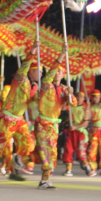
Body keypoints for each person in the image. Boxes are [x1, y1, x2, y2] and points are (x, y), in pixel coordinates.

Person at [0, 40, 39, 183]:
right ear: (32, 71)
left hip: (19, 120)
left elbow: (36, 101)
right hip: (7, 119)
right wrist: (33, 49)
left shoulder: (35, 87)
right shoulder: (20, 79)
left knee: (28, 143)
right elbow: (24, 66)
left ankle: (15, 167)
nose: (41, 74)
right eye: (39, 71)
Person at [34, 44, 74, 190]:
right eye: (55, 71)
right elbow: (50, 73)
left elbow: (73, 103)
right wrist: (62, 54)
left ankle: (45, 180)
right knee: (44, 152)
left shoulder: (64, 89)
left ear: (63, 75)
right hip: (42, 123)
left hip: (54, 126)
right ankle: (44, 177)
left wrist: (70, 93)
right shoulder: (45, 85)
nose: (57, 73)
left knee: (52, 154)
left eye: (60, 71)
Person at [63, 90, 91, 176]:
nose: (79, 98)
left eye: (81, 97)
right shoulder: (71, 107)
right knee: (68, 150)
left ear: (84, 98)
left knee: (81, 152)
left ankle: (87, 166)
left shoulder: (85, 108)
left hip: (81, 132)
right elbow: (62, 108)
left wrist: (75, 127)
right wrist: (66, 100)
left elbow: (86, 123)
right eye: (77, 96)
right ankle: (68, 170)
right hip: (71, 132)